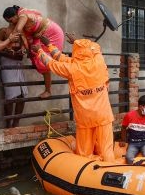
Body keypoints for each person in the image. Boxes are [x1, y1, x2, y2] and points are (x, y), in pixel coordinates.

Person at [32, 32, 115, 162]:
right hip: (103, 115)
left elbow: (51, 63)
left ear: (77, 52)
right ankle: (110, 168)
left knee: (84, 152)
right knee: (107, 150)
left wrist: (40, 50)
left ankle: (87, 172)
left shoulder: (72, 69)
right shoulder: (99, 61)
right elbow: (91, 49)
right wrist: (52, 45)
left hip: (85, 118)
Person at [3, 5, 65, 99]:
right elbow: (24, 37)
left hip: (51, 33)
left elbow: (18, 30)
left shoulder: (22, 16)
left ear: (16, 16)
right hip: (40, 35)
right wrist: (25, 49)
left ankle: (48, 91)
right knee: (33, 53)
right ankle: (47, 89)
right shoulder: (22, 16)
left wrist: (8, 44)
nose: (10, 24)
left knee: (43, 60)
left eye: (11, 21)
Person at [0, 26, 27, 128]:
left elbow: (25, 51)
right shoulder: (3, 31)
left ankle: (16, 122)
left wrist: (21, 51)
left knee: (22, 94)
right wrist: (8, 52)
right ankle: (8, 123)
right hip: (7, 64)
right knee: (10, 95)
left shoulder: (22, 33)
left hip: (18, 64)